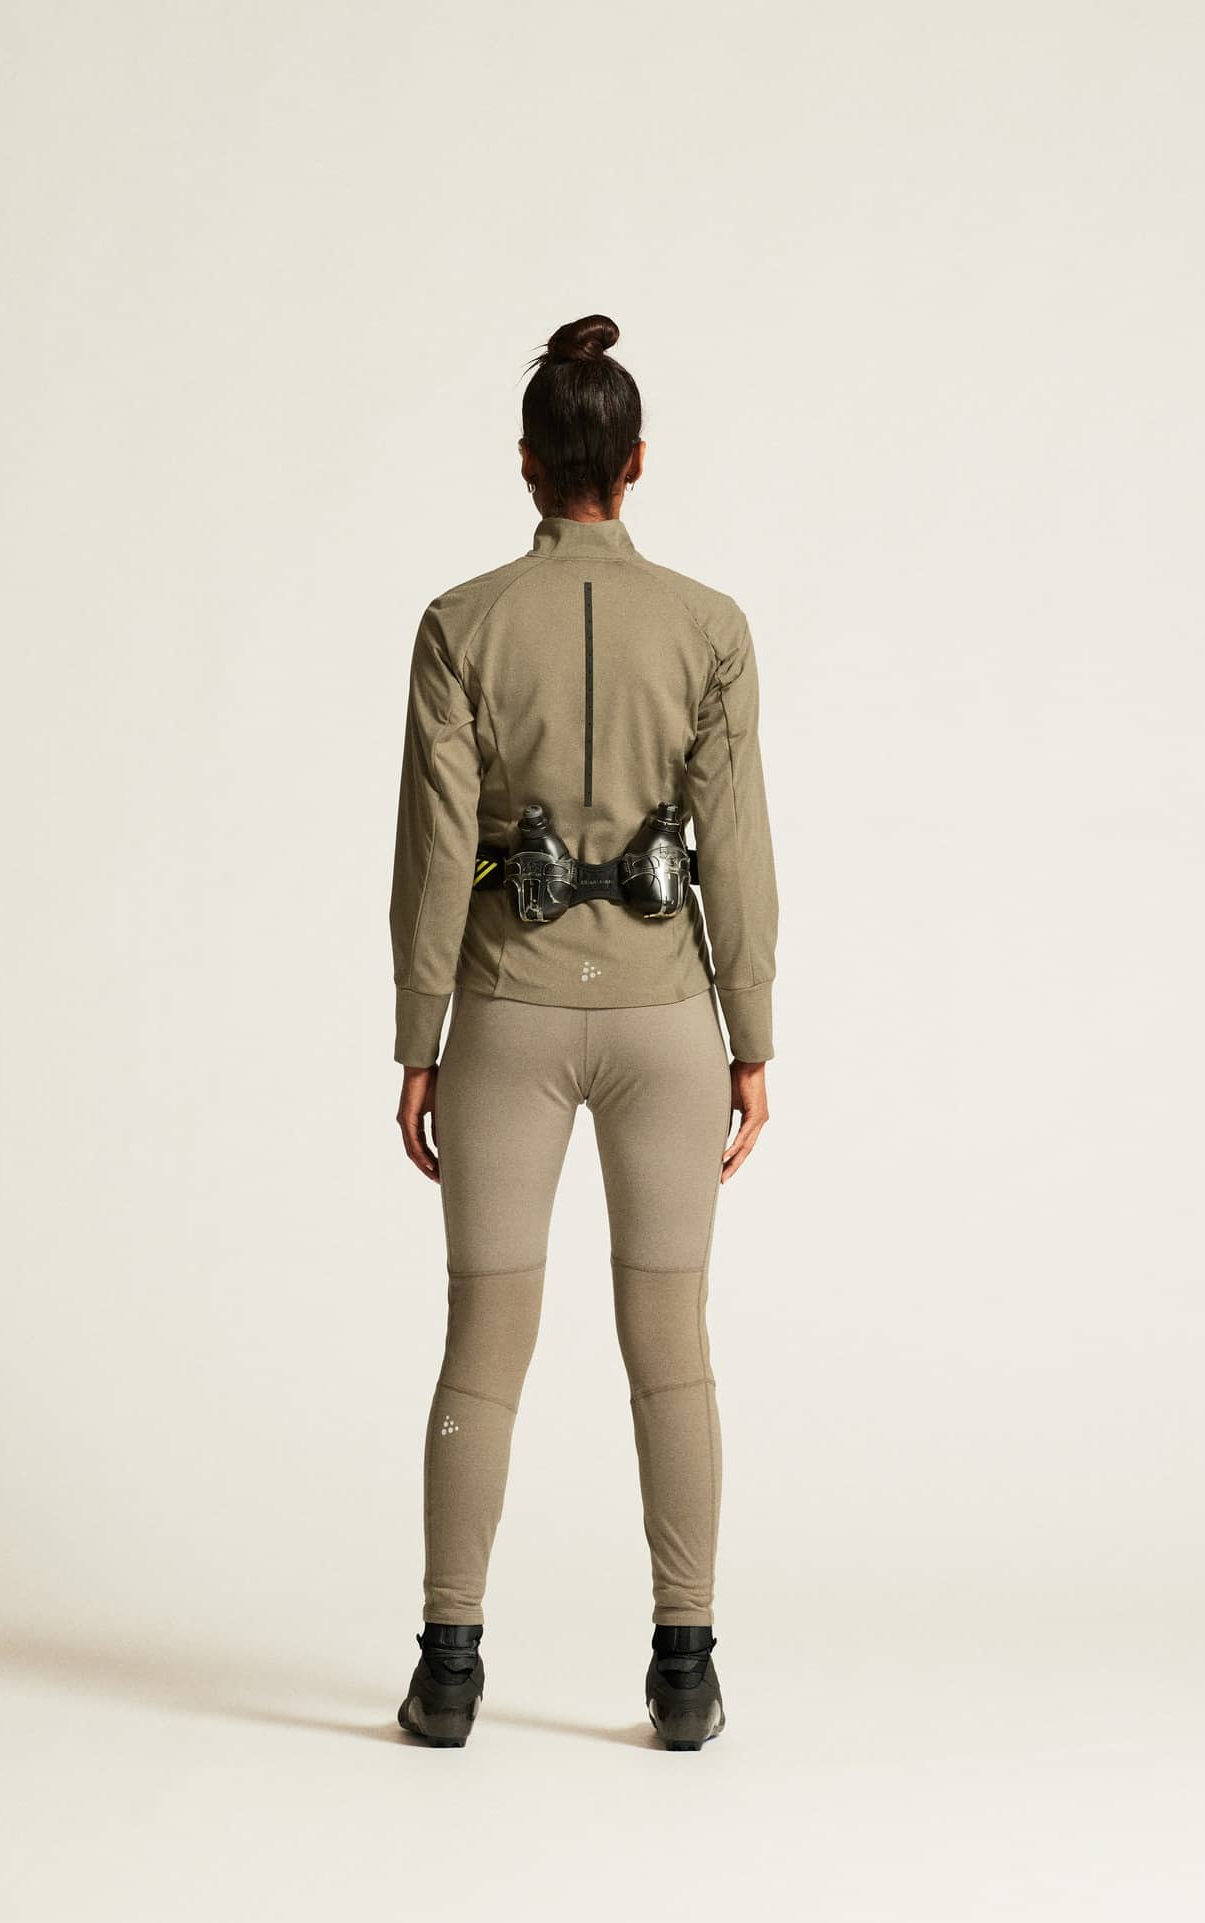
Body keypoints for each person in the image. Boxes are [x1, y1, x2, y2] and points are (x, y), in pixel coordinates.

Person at [388, 314, 778, 1750]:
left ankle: (448, 1671)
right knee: (670, 1343)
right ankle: (684, 1672)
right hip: (670, 1018)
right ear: (635, 461)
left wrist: (418, 1037)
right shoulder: (711, 626)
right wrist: (751, 1032)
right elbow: (737, 846)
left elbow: (438, 852)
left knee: (482, 1342)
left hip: (507, 1011)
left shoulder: (462, 623)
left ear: (525, 464)